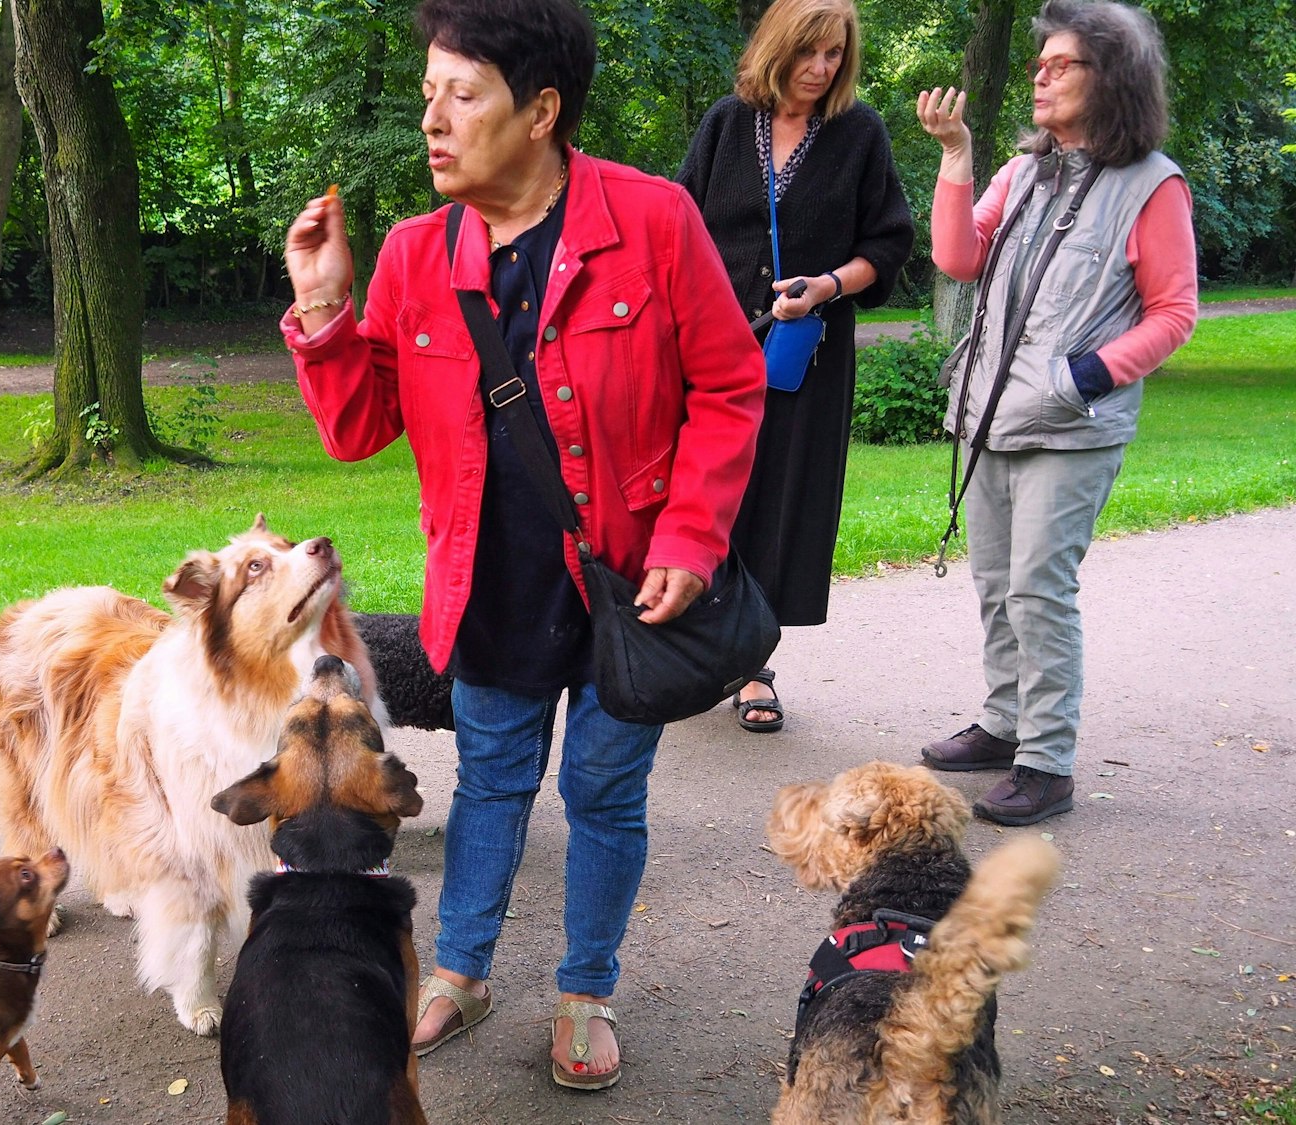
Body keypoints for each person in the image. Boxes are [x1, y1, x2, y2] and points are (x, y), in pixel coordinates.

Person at [281, 0, 764, 1091]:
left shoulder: (651, 220)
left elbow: (730, 387)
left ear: (540, 110)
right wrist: (322, 310)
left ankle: (585, 988)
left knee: (601, 793)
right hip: (486, 591)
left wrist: (690, 535)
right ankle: (459, 970)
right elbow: (360, 427)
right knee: (491, 784)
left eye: (462, 96)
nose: (432, 122)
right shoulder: (414, 255)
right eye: (427, 98)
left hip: (625, 596)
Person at [915, 0, 1195, 825]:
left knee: (1039, 587)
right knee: (997, 581)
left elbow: (1174, 313)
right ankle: (1005, 723)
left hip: (1071, 426)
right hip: (994, 414)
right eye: (1039, 62)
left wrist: (1082, 379)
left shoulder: (1154, 185)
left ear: (1111, 78)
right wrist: (957, 158)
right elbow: (957, 257)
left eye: (1060, 63)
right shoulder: (1025, 171)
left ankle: (1047, 759)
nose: (1040, 73)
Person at [676, 0, 914, 734]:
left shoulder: (859, 134)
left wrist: (826, 288)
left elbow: (890, 243)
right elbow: (677, 224)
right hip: (712, 348)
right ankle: (687, 653)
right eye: (809, 51)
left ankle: (752, 666)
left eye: (834, 54)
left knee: (779, 501)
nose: (821, 67)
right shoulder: (724, 123)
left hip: (802, 357)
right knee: (702, 494)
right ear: (778, 47)